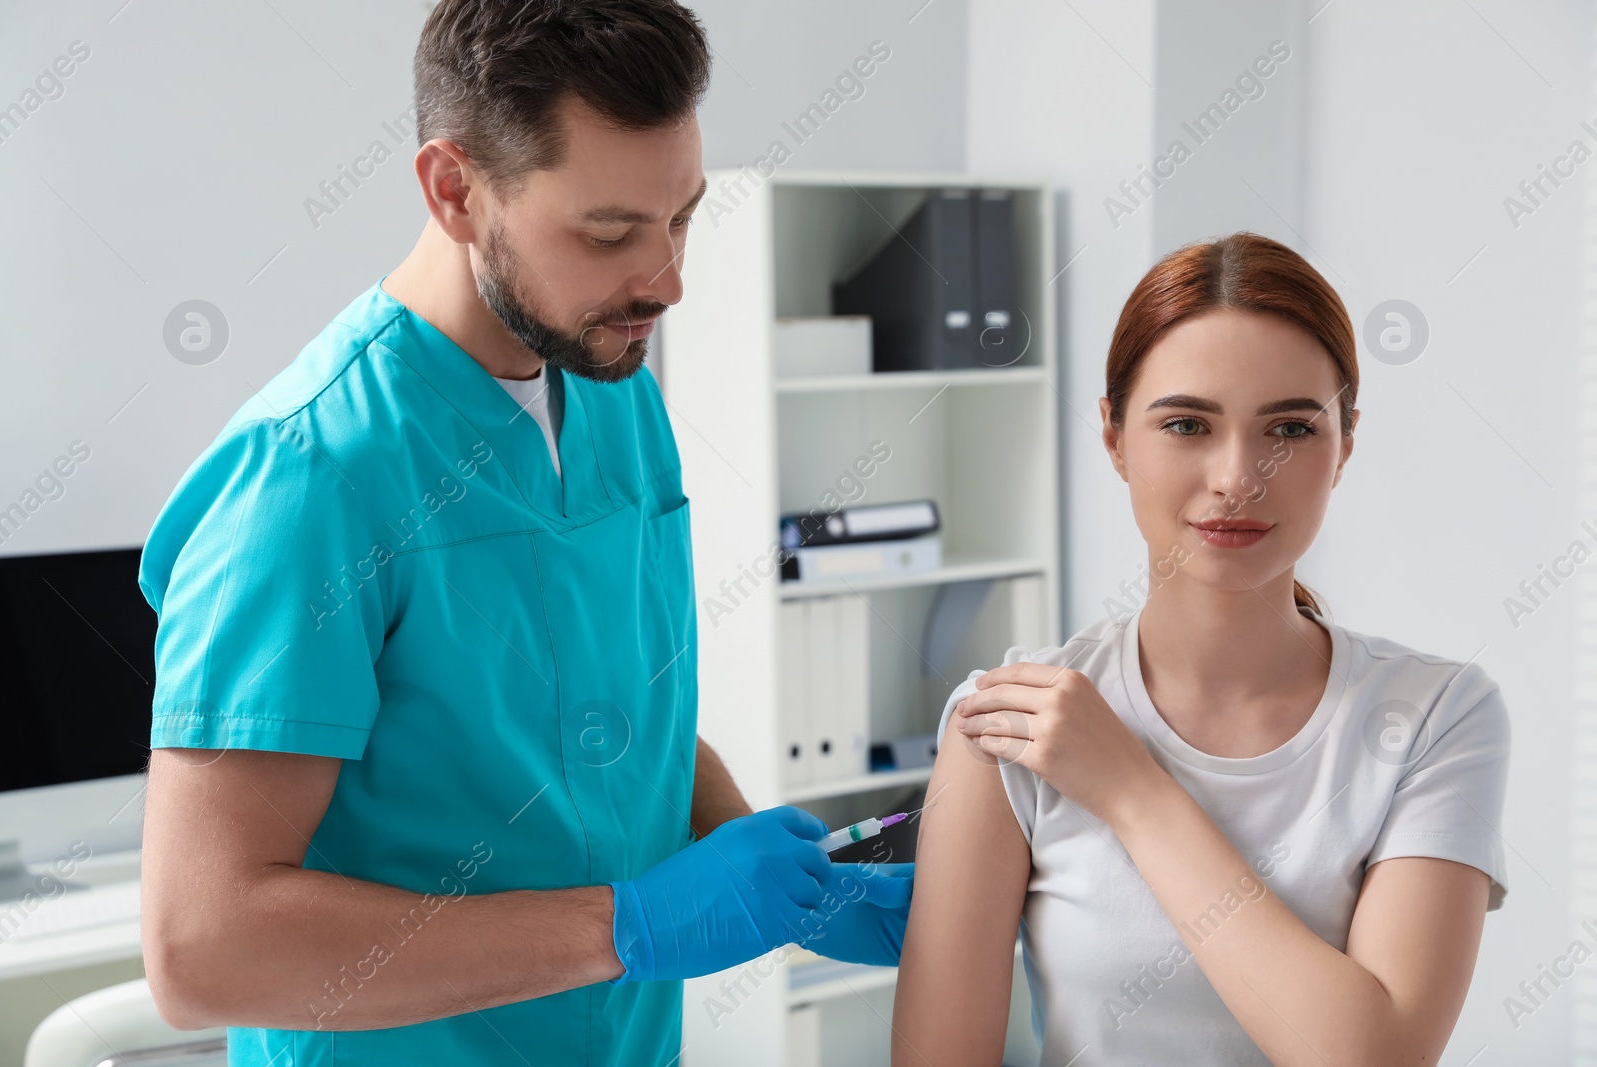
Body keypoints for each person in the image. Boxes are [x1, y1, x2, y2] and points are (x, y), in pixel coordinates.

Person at [136, 2, 911, 1064]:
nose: (667, 280)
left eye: (682, 215)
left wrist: (788, 881)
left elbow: (607, 722)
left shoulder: (610, 388)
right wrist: (629, 922)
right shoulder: (311, 478)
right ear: (454, 190)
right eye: (608, 233)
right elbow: (203, 949)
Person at [892, 232, 1510, 1065]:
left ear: (1346, 447)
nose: (1237, 476)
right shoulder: (1008, 724)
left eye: (1288, 428)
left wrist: (1131, 789)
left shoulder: (1437, 716)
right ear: (1113, 436)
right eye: (1187, 423)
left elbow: (1376, 1055)